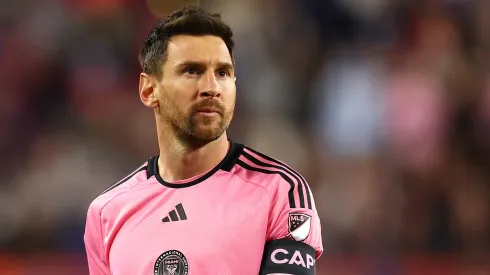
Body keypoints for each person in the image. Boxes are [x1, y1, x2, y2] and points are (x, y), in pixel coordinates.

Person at [84, 6, 323, 275]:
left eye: (222, 72)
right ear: (149, 89)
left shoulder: (280, 190)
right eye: (192, 71)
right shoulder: (107, 213)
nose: (211, 88)